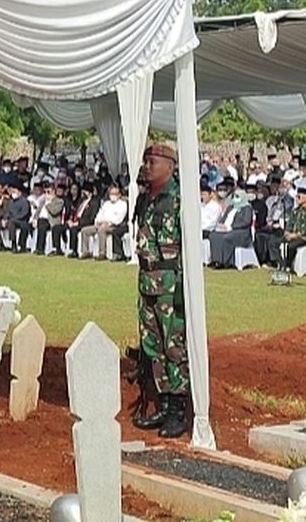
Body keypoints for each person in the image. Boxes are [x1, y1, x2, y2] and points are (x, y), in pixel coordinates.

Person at [131, 144, 189, 439]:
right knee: (152, 345)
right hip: (147, 281)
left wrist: (181, 289)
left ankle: (179, 410)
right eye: (146, 161)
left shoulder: (179, 199)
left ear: (170, 165)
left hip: (169, 284)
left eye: (152, 161)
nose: (147, 166)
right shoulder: (146, 199)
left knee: (173, 345)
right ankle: (164, 404)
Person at [208, 179, 254, 268]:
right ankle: (216, 260)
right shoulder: (230, 207)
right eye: (234, 196)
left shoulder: (247, 208)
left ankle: (227, 262)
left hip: (241, 233)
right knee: (213, 236)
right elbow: (223, 218)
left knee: (226, 238)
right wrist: (221, 225)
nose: (235, 199)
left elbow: (246, 222)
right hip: (226, 229)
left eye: (237, 196)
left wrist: (231, 227)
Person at [280, 185, 306, 270]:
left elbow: (304, 230)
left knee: (291, 246)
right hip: (293, 235)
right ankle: (280, 263)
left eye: (299, 197)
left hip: (303, 237)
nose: (296, 199)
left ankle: (287, 266)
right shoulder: (295, 211)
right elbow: (290, 223)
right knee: (274, 242)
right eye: (296, 196)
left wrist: (294, 235)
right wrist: (287, 232)